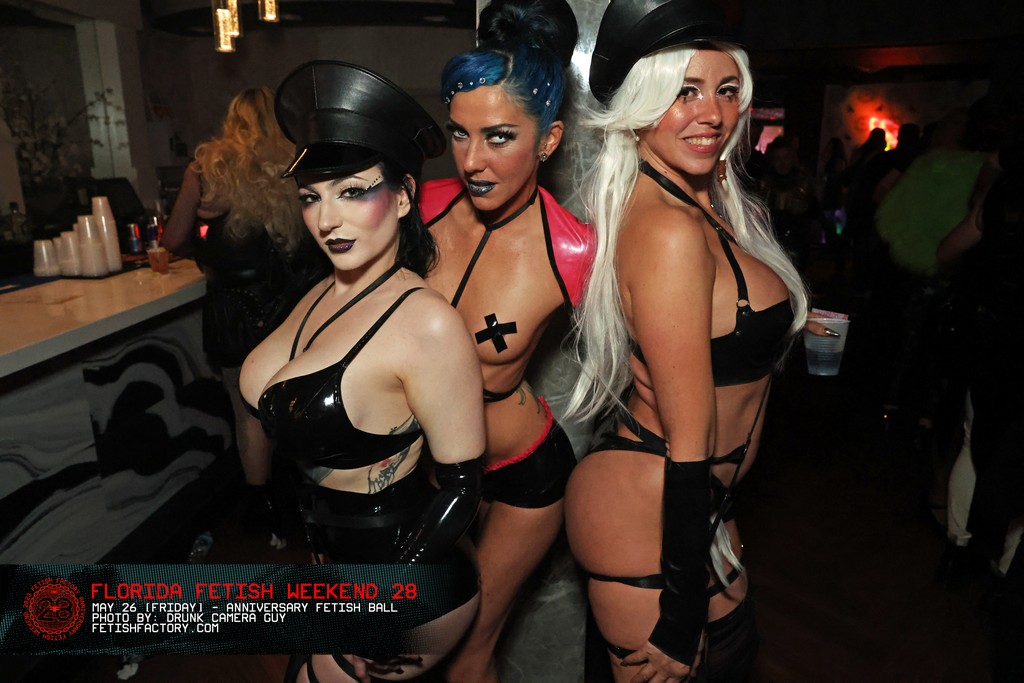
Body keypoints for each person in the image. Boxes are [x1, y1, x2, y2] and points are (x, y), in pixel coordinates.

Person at [565, 1, 808, 680]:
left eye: (726, 90)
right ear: (641, 106)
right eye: (683, 92)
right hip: (654, 502)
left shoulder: (697, 201)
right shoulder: (670, 230)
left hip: (697, 505)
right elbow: (690, 439)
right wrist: (678, 616)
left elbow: (715, 323)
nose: (712, 113)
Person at [239, 61, 485, 682]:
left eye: (352, 191)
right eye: (311, 197)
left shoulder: (427, 324)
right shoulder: (322, 291)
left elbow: (462, 487)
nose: (327, 220)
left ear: (402, 196)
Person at [417, 1, 594, 679]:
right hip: (427, 466)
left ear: (548, 140)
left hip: (521, 470)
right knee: (414, 636)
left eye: (498, 137)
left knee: (470, 646)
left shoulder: (573, 252)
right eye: (459, 135)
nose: (471, 160)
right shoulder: (421, 208)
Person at [163, 86, 316, 549]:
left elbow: (172, 239)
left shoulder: (206, 169)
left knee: (245, 410)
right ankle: (311, 503)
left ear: (233, 120)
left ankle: (263, 509)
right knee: (297, 402)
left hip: (231, 308)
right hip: (290, 304)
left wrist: (206, 249)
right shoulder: (296, 165)